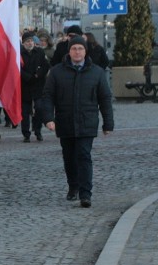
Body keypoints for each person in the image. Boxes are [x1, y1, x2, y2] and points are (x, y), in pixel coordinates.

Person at [40, 36, 114, 208]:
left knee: (83, 155)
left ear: (85, 51)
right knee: (69, 157)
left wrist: (108, 123)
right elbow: (48, 96)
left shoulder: (96, 72)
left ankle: (85, 193)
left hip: (87, 122)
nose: (77, 52)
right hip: (64, 121)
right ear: (69, 51)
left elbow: (105, 98)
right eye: (74, 49)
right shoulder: (57, 72)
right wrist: (48, 118)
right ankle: (73, 185)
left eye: (80, 48)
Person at [20, 31, 49, 142]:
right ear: (23, 43)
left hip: (38, 86)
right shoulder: (19, 53)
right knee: (25, 112)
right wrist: (27, 77)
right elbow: (17, 68)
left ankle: (38, 131)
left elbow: (45, 65)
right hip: (25, 86)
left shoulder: (40, 52)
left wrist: (38, 74)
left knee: (39, 108)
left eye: (31, 41)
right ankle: (26, 134)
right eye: (27, 41)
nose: (30, 43)